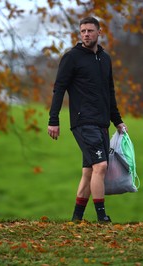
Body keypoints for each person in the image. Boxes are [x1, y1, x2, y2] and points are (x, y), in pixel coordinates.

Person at [47, 16, 127, 223]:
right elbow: (59, 89)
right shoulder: (71, 58)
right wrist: (53, 119)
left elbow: (109, 92)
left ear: (99, 32)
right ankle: (102, 218)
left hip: (101, 123)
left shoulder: (105, 59)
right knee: (101, 166)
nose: (86, 34)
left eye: (90, 31)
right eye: (83, 31)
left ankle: (76, 219)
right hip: (83, 122)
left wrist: (117, 121)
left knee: (89, 171)